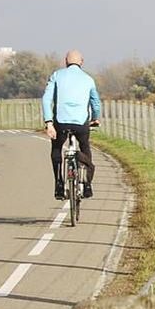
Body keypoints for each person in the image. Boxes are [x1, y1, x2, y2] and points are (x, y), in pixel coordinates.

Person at [41, 50, 102, 200]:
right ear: (82, 62)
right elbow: (96, 103)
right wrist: (95, 118)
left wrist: (49, 122)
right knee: (85, 146)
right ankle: (87, 184)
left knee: (56, 148)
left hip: (60, 123)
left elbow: (46, 99)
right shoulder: (88, 79)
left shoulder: (56, 75)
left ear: (65, 61)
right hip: (81, 123)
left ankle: (59, 184)